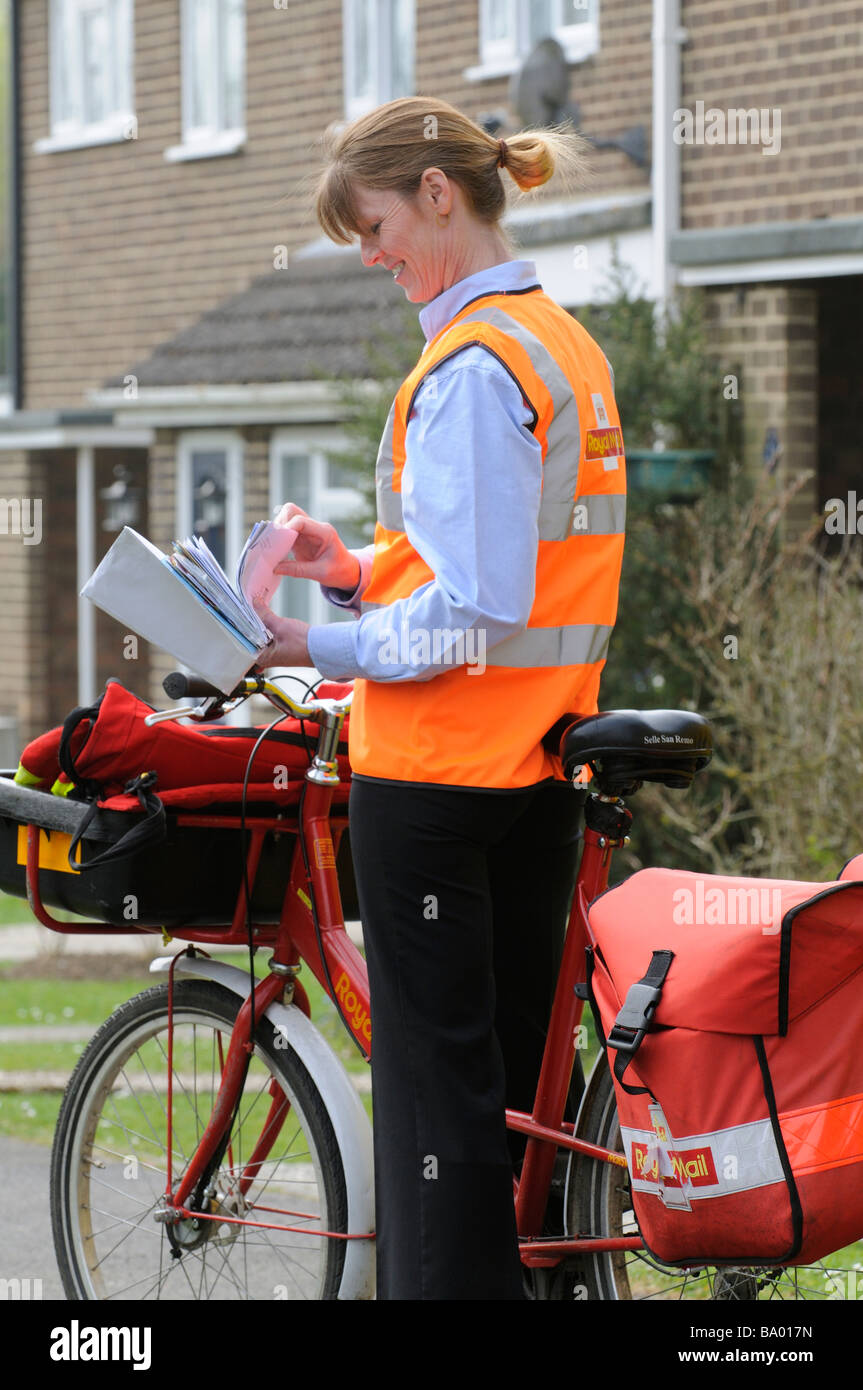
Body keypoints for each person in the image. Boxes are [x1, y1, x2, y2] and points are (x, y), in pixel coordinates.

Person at [256, 96, 626, 1300]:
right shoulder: (555, 342)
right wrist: (359, 568)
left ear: (433, 193)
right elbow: (499, 571)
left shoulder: (471, 366)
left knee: (437, 1102)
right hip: (530, 767)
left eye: (371, 228)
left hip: (434, 777)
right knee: (513, 1086)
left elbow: (475, 607)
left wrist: (316, 637)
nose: (370, 258)